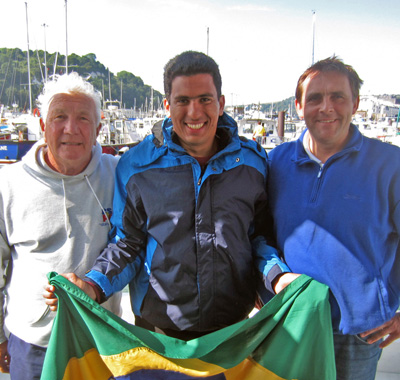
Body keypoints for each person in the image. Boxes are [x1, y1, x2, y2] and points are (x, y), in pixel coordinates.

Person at [44, 51, 295, 340]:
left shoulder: (252, 163)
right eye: (183, 101)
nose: (194, 112)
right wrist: (92, 285)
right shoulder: (136, 166)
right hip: (157, 335)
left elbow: (258, 238)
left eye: (205, 99)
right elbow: (128, 244)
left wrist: (279, 278)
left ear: (221, 103)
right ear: (167, 105)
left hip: (234, 332)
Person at [267, 56, 400, 380]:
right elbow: (259, 236)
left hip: (359, 332)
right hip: (290, 321)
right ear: (298, 106)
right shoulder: (275, 163)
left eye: (338, 97)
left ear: (354, 103)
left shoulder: (390, 165)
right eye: (314, 98)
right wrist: (272, 277)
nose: (326, 107)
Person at [0, 72, 122, 379]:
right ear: (42, 124)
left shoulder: (119, 176)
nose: (71, 128)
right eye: (59, 117)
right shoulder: (8, 185)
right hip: (31, 345)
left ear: (99, 127)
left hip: (101, 342)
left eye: (83, 118)